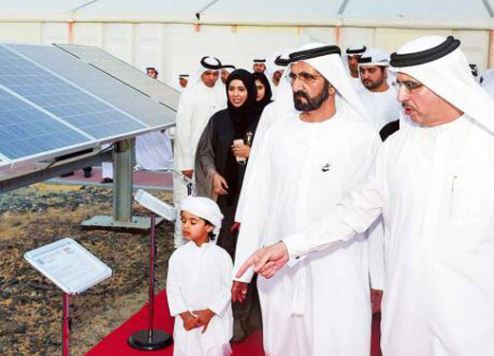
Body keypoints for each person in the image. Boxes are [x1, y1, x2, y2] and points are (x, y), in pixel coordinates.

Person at [236, 36, 494, 356]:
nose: (400, 95)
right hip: (406, 317)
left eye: (411, 86)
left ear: (446, 83)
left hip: (472, 319)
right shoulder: (395, 150)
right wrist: (289, 246)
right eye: (399, 84)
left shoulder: (488, 150)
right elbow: (353, 212)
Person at [232, 43, 380, 356]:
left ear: (331, 84)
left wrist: (378, 277)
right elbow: (258, 201)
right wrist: (243, 269)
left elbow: (370, 212)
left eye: (309, 78)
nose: (298, 85)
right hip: (279, 272)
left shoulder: (360, 137)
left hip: (337, 269)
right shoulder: (277, 133)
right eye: (294, 77)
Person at [195, 69, 263, 341]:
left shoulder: (262, 121)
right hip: (223, 203)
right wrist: (213, 175)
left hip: (253, 203)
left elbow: (275, 157)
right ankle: (222, 315)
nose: (236, 94)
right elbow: (204, 153)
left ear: (250, 92)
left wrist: (252, 152)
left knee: (246, 260)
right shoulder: (218, 120)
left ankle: (244, 319)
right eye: (232, 89)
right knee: (223, 258)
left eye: (241, 89)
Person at [166, 196, 233, 356]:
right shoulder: (178, 255)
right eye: (183, 220)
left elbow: (227, 288)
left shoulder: (221, 256)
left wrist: (209, 312)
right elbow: (172, 287)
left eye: (193, 222)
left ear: (209, 226)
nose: (186, 226)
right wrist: (184, 315)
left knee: (213, 349)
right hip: (186, 321)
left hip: (214, 319)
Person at [173, 56, 226, 247]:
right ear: (200, 74)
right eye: (208, 74)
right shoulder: (190, 94)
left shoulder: (222, 94)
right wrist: (186, 163)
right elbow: (182, 131)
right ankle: (180, 248)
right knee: (185, 206)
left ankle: (205, 247)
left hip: (210, 161)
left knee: (207, 206)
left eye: (215, 74)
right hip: (189, 162)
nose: (212, 78)